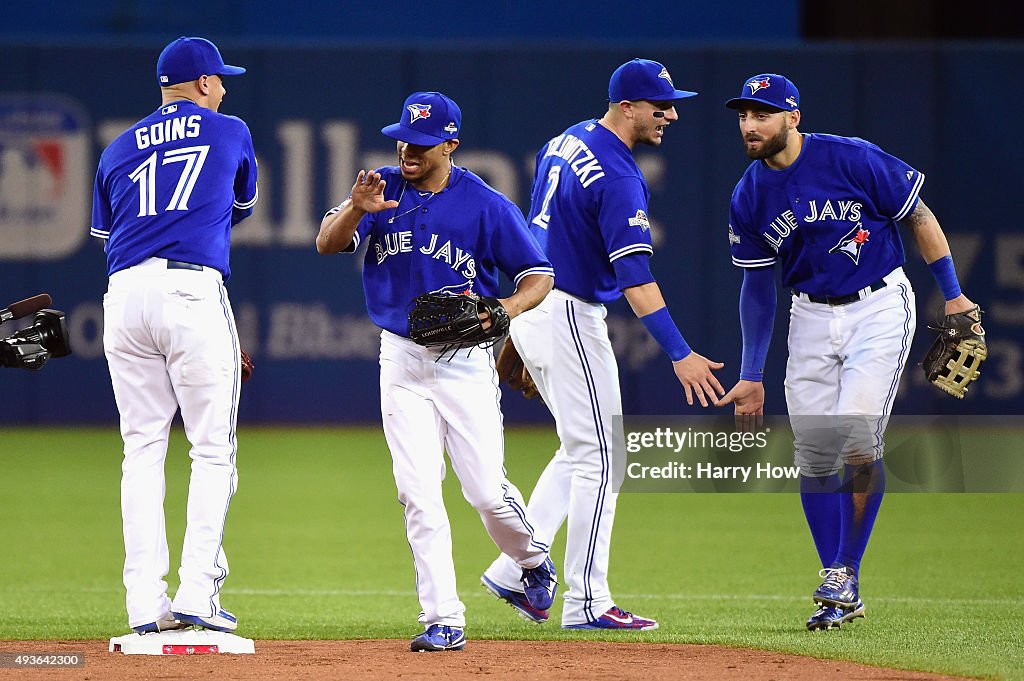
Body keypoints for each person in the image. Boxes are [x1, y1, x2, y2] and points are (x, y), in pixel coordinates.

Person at [716, 73, 978, 630]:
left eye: (761, 113)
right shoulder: (750, 194)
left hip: (878, 304)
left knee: (857, 437)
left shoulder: (852, 159)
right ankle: (841, 583)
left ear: (793, 117)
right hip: (809, 315)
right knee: (813, 455)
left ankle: (843, 570)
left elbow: (919, 217)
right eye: (743, 114)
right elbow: (758, 287)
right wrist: (751, 372)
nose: (750, 124)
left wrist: (953, 294)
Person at [481, 58, 724, 631]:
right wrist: (680, 353)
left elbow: (537, 233)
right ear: (627, 106)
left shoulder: (564, 140)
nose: (670, 113)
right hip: (565, 309)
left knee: (579, 450)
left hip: (538, 300)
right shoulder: (619, 175)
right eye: (659, 104)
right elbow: (637, 280)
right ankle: (586, 601)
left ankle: (517, 569)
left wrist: (524, 320)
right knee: (604, 456)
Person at [316, 91, 558, 653]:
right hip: (399, 358)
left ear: (450, 144)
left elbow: (538, 275)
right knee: (418, 493)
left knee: (485, 493)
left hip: (463, 362)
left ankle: (531, 559)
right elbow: (327, 242)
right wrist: (356, 209)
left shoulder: (484, 203)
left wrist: (505, 310)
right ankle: (442, 617)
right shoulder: (378, 186)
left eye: (422, 143)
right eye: (403, 138)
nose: (409, 150)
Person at [91, 36, 258, 634]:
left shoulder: (113, 148)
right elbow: (237, 203)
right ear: (206, 83)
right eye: (221, 79)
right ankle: (197, 597)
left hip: (123, 295)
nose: (225, 88)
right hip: (191, 289)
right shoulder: (230, 129)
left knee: (141, 449)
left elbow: (109, 232)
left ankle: (143, 607)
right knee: (212, 449)